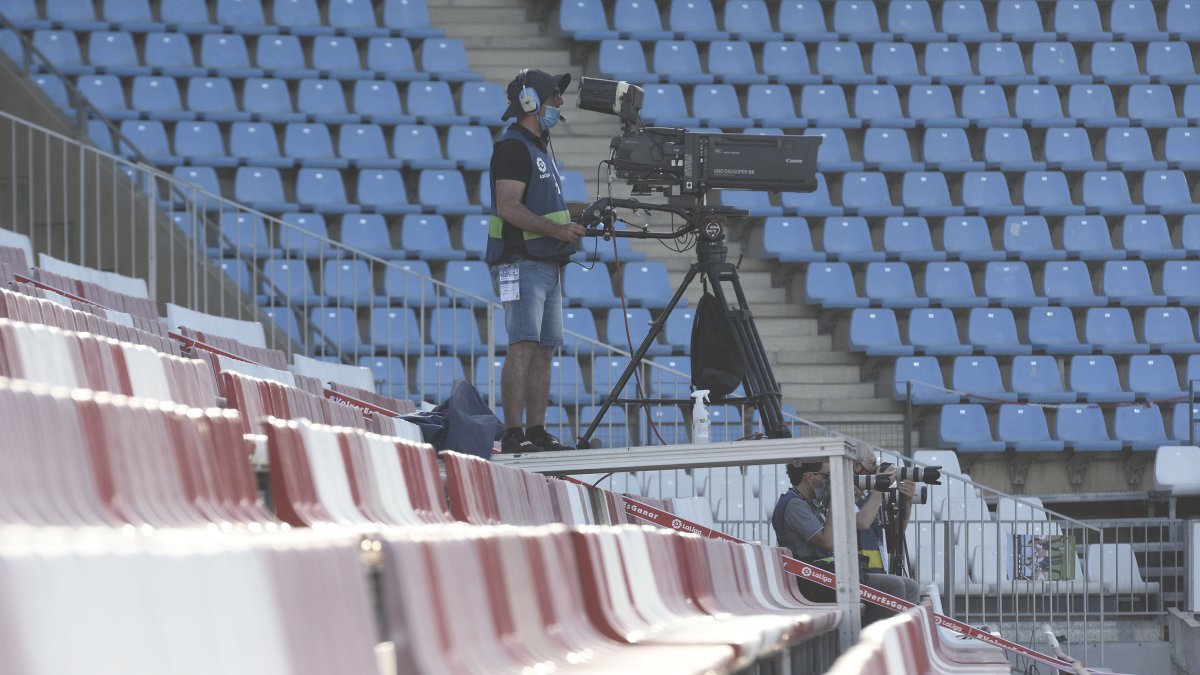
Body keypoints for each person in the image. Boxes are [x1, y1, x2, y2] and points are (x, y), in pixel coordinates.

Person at [488, 69, 589, 453]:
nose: (560, 104)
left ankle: (536, 430)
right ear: (529, 101)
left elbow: (549, 207)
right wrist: (558, 230)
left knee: (544, 348)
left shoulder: (537, 148)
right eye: (554, 97)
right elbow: (508, 206)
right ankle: (514, 434)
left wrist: (589, 211)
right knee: (524, 344)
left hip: (544, 262)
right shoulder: (513, 148)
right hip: (518, 261)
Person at [771, 461, 922, 621]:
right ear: (809, 477)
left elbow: (892, 531)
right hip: (812, 579)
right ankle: (875, 635)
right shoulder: (794, 504)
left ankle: (904, 635)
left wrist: (847, 500)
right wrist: (836, 499)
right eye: (827, 476)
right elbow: (827, 542)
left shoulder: (811, 503)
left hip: (828, 575)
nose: (830, 481)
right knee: (893, 586)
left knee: (910, 586)